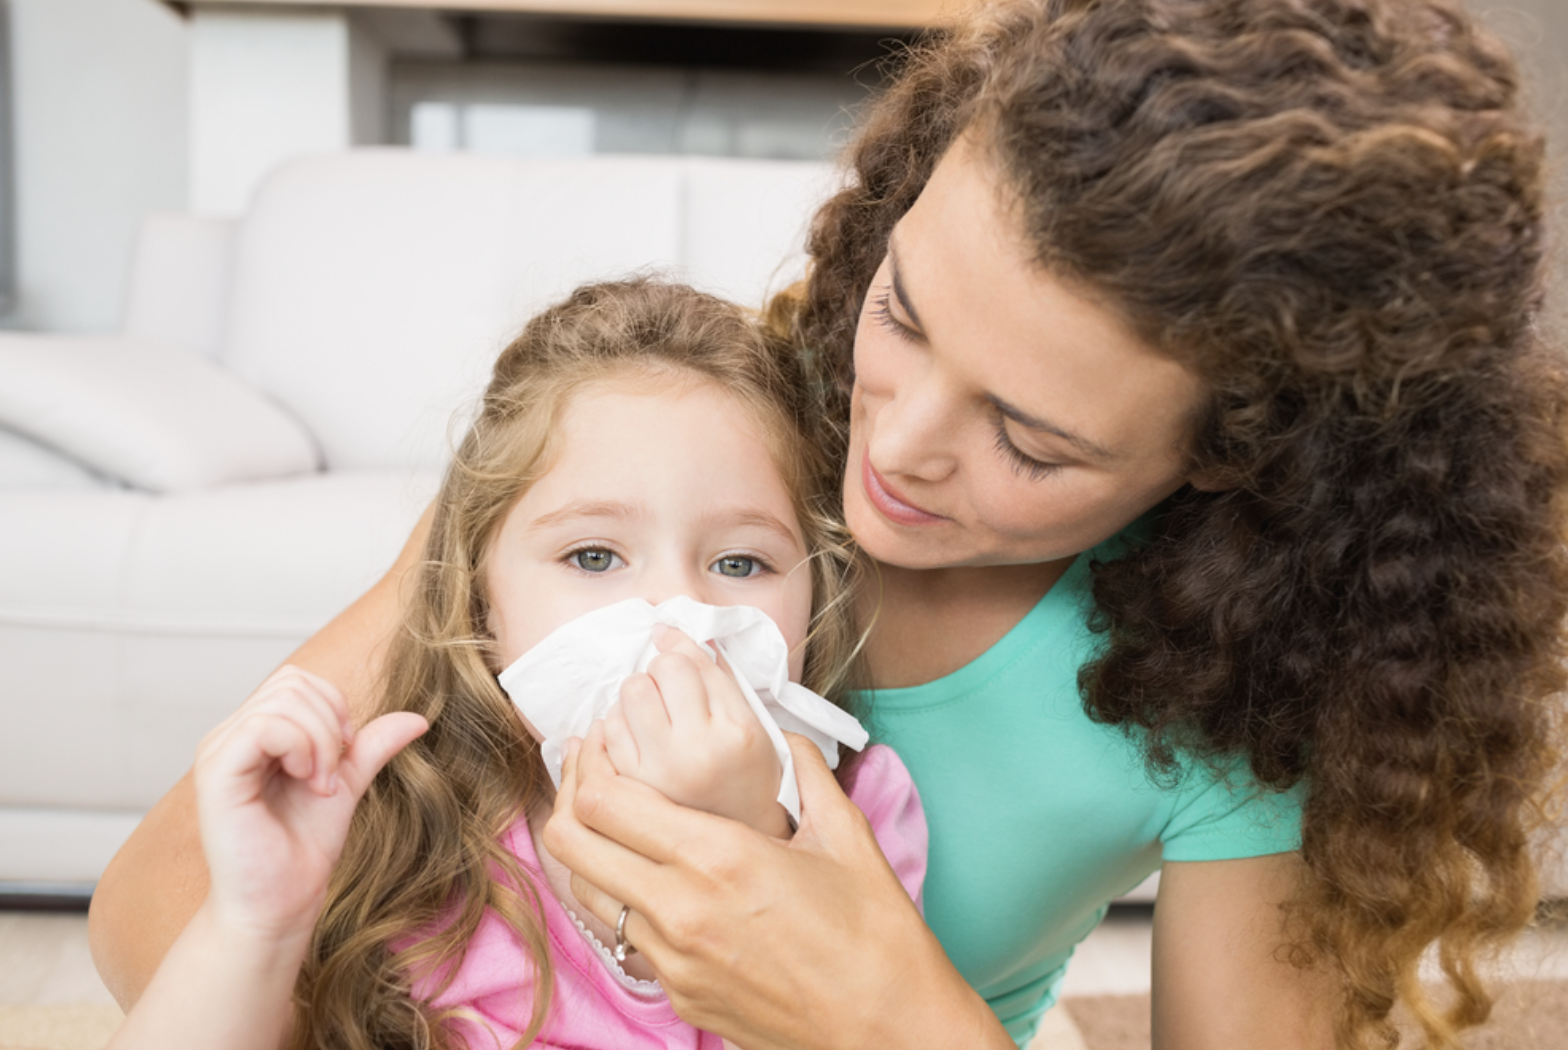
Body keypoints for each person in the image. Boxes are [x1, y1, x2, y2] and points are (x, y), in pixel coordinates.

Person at [91, 0, 1568, 1047]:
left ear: (1247, 465)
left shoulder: (1245, 715)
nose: (897, 446)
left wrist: (877, 1004)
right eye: (904, 311)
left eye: (1030, 437)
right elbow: (154, 913)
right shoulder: (666, 436)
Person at [100, 279, 927, 1050]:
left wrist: (756, 839)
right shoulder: (402, 818)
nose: (673, 617)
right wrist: (255, 923)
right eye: (596, 556)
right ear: (480, 603)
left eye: (741, 564)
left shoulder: (856, 823)